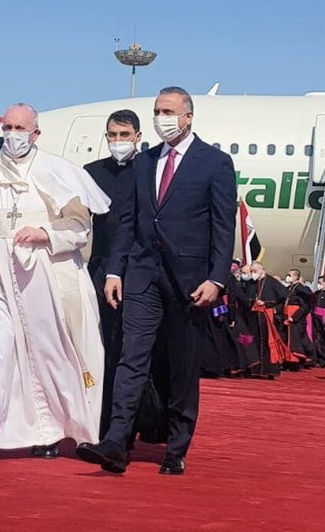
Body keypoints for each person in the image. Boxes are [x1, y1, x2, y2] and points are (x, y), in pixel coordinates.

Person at [0, 103, 111, 463]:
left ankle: (58, 434)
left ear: (36, 133)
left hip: (47, 277)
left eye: (20, 128)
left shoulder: (58, 171)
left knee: (52, 356)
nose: (13, 135)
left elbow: (80, 228)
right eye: (9, 128)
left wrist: (45, 233)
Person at [77, 86, 236, 476]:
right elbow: (128, 221)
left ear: (188, 116)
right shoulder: (145, 162)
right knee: (131, 359)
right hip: (144, 275)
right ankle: (116, 442)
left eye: (168, 111)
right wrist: (115, 270)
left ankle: (176, 447)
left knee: (182, 367)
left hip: (190, 283)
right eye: (156, 111)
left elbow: (223, 226)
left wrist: (217, 278)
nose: (161, 117)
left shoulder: (214, 163)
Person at [84, 109, 143, 439]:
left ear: (137, 135)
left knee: (129, 354)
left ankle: (125, 428)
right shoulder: (91, 172)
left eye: (124, 135)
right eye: (112, 135)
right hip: (100, 269)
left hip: (137, 272)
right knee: (99, 349)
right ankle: (97, 423)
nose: (117, 141)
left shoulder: (148, 170)